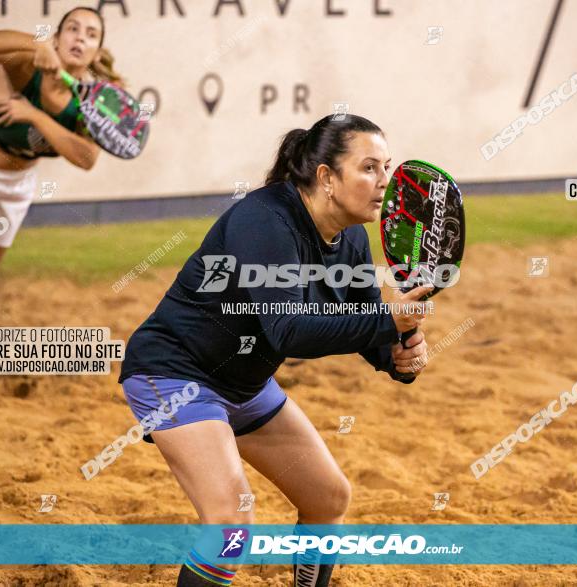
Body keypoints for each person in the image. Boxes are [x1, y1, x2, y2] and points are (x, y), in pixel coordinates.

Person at [119, 114, 432, 586]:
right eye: (369, 167)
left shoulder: (351, 239)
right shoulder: (264, 220)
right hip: (175, 373)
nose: (384, 182)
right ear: (326, 177)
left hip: (244, 384)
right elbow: (288, 329)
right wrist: (389, 320)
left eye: (386, 167)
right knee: (230, 525)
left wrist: (399, 357)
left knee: (328, 499)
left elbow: (370, 327)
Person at [0, 7, 121, 403]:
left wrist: (32, 114)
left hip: (14, 190)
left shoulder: (95, 100)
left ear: (98, 51)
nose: (80, 38)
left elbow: (86, 158)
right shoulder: (27, 63)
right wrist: (36, 45)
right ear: (59, 36)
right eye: (72, 30)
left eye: (91, 34)